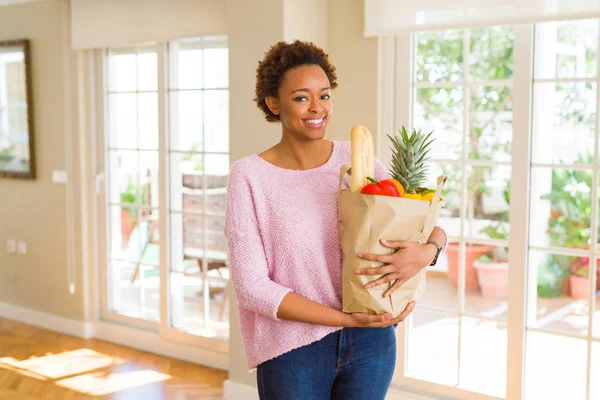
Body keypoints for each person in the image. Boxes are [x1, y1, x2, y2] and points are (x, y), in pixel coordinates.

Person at [224, 40, 447, 400]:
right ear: (273, 103)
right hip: (293, 350)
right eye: (301, 97)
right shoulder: (250, 176)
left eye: (324, 96)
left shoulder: (358, 160)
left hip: (372, 342)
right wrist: (345, 320)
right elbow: (252, 287)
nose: (317, 108)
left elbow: (423, 225)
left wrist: (428, 252)